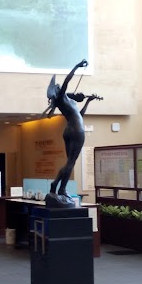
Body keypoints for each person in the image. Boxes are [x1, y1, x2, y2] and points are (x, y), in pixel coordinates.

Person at [44, 59, 102, 201]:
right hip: (77, 131)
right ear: (58, 91)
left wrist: (87, 102)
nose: (59, 86)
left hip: (70, 129)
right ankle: (62, 189)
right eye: (58, 87)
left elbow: (80, 116)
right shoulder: (61, 98)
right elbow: (66, 81)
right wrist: (76, 66)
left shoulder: (69, 102)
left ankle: (55, 184)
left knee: (69, 162)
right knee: (71, 162)